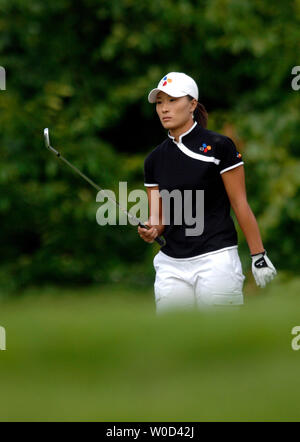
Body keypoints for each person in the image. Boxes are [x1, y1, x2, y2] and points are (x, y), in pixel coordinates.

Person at [138, 72, 277, 314]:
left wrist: (258, 255)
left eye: (172, 100)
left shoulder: (219, 146)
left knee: (219, 342)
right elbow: (158, 219)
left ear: (192, 104)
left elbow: (239, 202)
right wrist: (151, 230)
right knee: (173, 342)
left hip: (216, 258)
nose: (164, 109)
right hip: (171, 264)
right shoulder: (154, 160)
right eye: (160, 102)